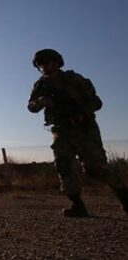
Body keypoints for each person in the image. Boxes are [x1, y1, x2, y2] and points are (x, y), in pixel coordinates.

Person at [27, 48, 128, 217]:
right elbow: (30, 107)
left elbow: (96, 102)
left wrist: (81, 115)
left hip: (84, 128)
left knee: (95, 168)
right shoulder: (40, 86)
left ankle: (125, 197)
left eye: (46, 62)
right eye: (40, 64)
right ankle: (77, 205)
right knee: (63, 164)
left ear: (56, 62)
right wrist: (40, 101)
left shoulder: (74, 79)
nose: (44, 67)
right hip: (61, 129)